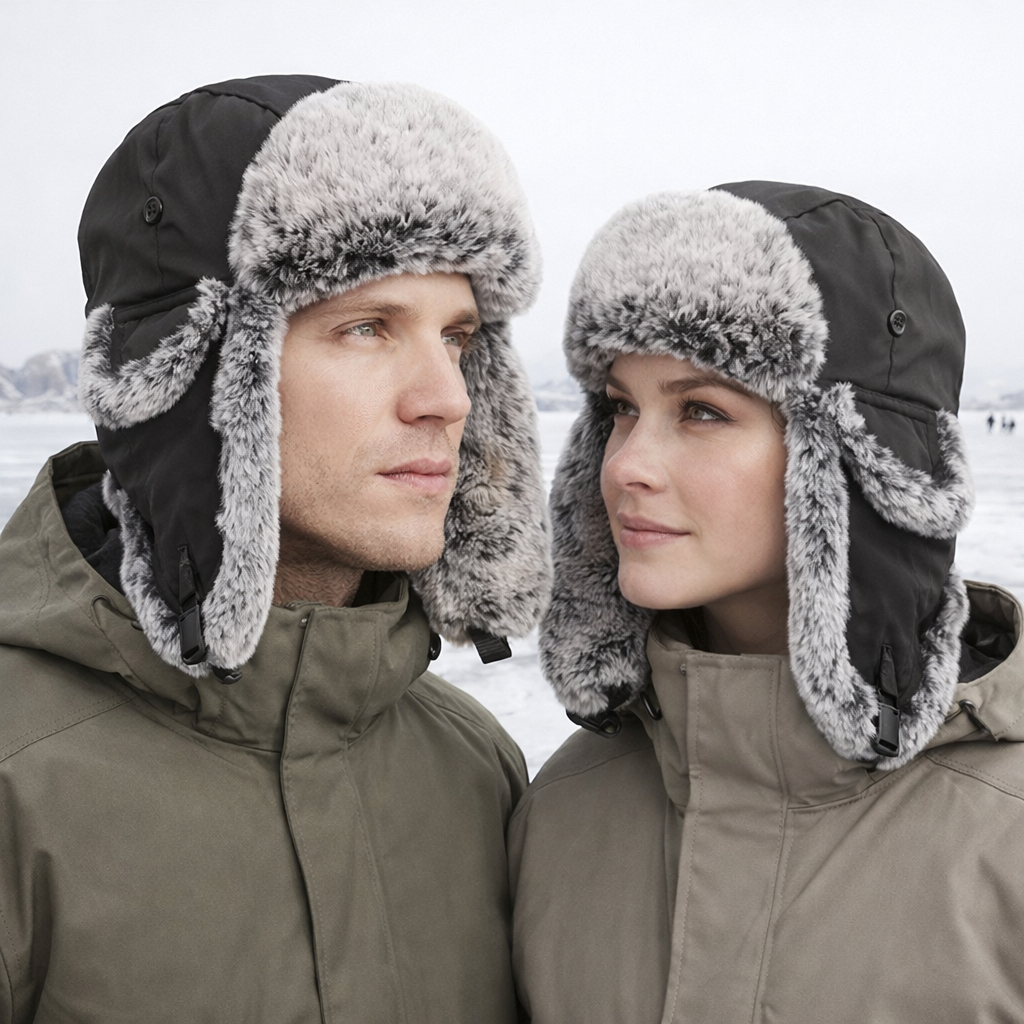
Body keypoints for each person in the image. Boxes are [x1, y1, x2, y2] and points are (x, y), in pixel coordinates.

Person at [0, 76, 551, 1023]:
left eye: (458, 339)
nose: (447, 399)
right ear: (197, 371)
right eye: (368, 328)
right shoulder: (20, 775)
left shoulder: (475, 769)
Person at [508, 183, 1024, 1022]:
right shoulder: (562, 809)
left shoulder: (1006, 837)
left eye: (701, 411)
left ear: (856, 458)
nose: (626, 465)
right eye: (621, 409)